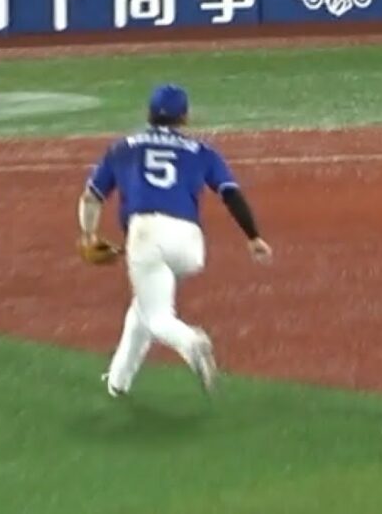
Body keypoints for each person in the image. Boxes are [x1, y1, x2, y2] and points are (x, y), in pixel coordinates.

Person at [78, 83, 272, 398]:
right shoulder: (202, 151)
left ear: (149, 113)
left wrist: (89, 234)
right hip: (189, 242)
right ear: (185, 116)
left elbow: (91, 197)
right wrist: (253, 236)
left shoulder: (122, 148)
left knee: (157, 316)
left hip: (147, 235)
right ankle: (118, 381)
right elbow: (231, 193)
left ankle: (190, 342)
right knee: (143, 306)